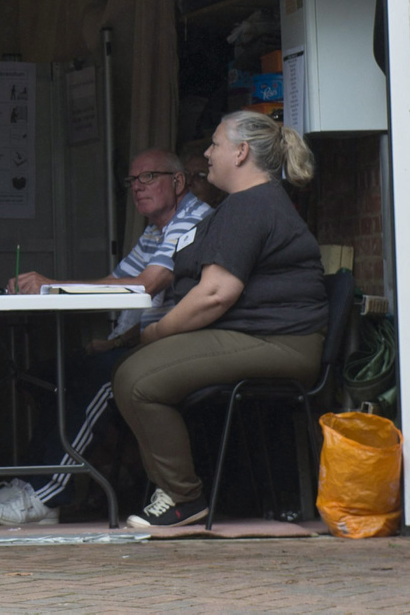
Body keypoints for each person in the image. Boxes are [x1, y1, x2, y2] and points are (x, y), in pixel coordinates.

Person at [0, 149, 215, 527]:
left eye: (148, 177)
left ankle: (47, 496)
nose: (137, 188)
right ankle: (31, 483)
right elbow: (118, 284)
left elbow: (147, 285)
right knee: (54, 375)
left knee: (100, 377)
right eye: (132, 181)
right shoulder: (156, 228)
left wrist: (53, 284)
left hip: (174, 349)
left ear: (177, 182)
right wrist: (113, 339)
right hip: (143, 341)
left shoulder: (193, 220)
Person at [112, 110, 328, 528]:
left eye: (214, 144)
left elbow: (215, 294)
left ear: (241, 152)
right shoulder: (239, 205)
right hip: (252, 335)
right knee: (130, 374)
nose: (207, 154)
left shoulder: (252, 205)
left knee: (138, 380)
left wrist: (157, 331)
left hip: (278, 342)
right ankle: (172, 492)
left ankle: (182, 498)